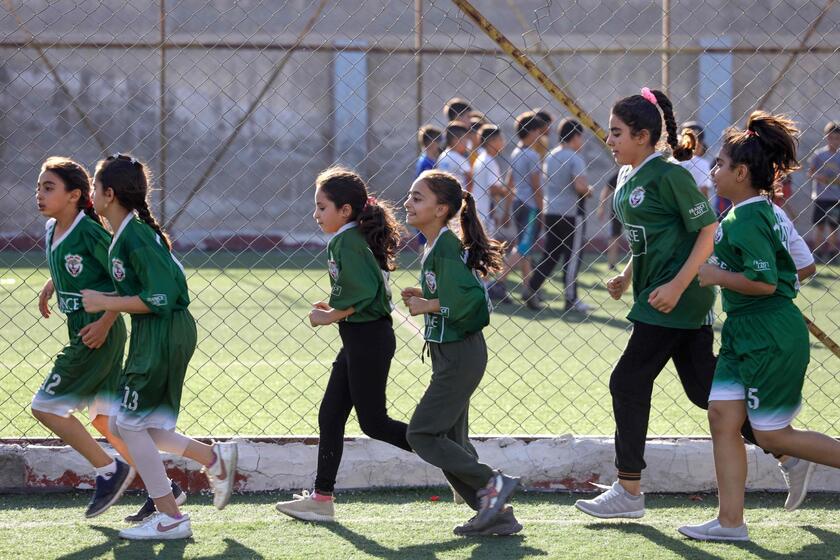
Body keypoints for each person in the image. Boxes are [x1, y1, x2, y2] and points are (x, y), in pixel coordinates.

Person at [680, 112, 840, 542]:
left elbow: (766, 282)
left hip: (769, 335)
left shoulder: (749, 219)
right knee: (721, 417)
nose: (713, 172)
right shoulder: (753, 213)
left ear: (741, 172)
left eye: (719, 165)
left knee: (770, 432)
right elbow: (796, 267)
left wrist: (716, 276)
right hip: (742, 334)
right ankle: (730, 523)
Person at [574, 88, 719, 519]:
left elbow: (706, 231)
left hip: (676, 298)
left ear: (642, 135)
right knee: (703, 391)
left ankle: (629, 490)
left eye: (617, 132)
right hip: (657, 293)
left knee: (628, 380)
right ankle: (788, 449)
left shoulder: (670, 175)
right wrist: (627, 275)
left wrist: (676, 286)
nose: (610, 140)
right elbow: (648, 238)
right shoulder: (627, 174)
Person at [81, 153, 237, 540]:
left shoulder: (135, 235)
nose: (90, 194)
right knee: (125, 422)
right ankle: (212, 458)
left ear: (109, 194)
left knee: (130, 423)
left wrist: (106, 304)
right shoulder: (126, 234)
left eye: (94, 187)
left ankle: (171, 517)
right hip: (156, 333)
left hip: (164, 331)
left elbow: (162, 296)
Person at [274, 168, 413, 522]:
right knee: (331, 414)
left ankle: (453, 456)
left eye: (322, 208)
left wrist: (330, 316)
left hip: (368, 339)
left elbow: (365, 294)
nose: (316, 215)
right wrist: (334, 307)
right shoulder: (350, 238)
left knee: (374, 423)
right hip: (359, 338)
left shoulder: (346, 241)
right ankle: (322, 500)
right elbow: (361, 287)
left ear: (345, 211)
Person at [402, 169, 521, 537]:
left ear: (441, 210)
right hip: (450, 355)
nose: (408, 202)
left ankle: (492, 483)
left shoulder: (447, 248)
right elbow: (452, 296)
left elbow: (473, 302)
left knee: (421, 434)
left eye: (418, 198)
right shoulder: (434, 246)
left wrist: (428, 305)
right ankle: (497, 515)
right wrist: (426, 301)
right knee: (451, 441)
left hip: (460, 355)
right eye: (410, 195)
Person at [31, 156, 135, 518]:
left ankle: (110, 470)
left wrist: (107, 321)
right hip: (83, 327)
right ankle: (162, 488)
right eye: (38, 187)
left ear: (75, 195)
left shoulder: (90, 231)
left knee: (45, 407)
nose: (39, 195)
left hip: (95, 331)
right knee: (106, 420)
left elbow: (123, 278)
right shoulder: (52, 228)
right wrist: (53, 284)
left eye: (48, 188)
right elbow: (74, 265)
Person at [525, 118, 594, 312]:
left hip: (551, 211)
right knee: (572, 257)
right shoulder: (575, 157)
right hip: (571, 213)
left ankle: (531, 287)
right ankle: (571, 299)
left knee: (550, 254)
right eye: (581, 137)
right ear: (576, 136)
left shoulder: (550, 156)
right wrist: (589, 190)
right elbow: (579, 185)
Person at [510, 111, 549, 302]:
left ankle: (528, 288)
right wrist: (542, 209)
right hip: (530, 205)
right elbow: (536, 186)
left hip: (518, 202)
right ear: (532, 132)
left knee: (525, 249)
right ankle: (496, 282)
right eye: (538, 131)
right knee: (524, 247)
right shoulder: (532, 155)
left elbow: (511, 180)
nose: (540, 136)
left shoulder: (515, 152)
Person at [807, 121, 840, 261]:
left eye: (837, 138)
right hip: (821, 196)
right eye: (831, 138)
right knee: (819, 226)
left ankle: (832, 253)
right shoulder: (819, 155)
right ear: (826, 137)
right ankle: (817, 253)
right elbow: (810, 173)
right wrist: (818, 177)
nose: (834, 141)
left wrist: (833, 180)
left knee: (833, 226)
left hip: (836, 197)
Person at [677, 123, 713, 199]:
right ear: (699, 145)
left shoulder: (670, 161)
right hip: (691, 205)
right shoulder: (702, 164)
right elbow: (704, 191)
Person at [436, 121, 472, 193]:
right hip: (459, 197)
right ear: (456, 140)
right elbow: (470, 180)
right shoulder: (459, 159)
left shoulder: (442, 156)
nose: (467, 142)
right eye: (465, 138)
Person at [597, 171, 622, 270]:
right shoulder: (622, 172)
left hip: (635, 210)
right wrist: (601, 207)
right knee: (614, 236)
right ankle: (611, 263)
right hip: (618, 209)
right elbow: (607, 188)